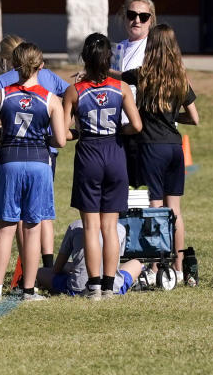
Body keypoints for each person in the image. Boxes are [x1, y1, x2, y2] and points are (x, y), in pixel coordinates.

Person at [0, 34, 68, 274]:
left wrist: (6, 131)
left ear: (10, 61)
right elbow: (72, 97)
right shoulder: (50, 87)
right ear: (40, 63)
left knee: (8, 225)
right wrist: (63, 125)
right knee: (38, 218)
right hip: (42, 156)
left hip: (10, 156)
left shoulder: (4, 86)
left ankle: (2, 283)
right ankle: (39, 274)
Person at [62, 33, 141, 300]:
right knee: (110, 226)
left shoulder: (74, 90)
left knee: (90, 227)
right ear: (109, 59)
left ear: (84, 58)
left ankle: (93, 286)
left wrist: (80, 133)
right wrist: (119, 131)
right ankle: (109, 285)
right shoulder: (121, 88)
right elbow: (137, 126)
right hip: (115, 153)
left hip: (89, 155)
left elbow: (62, 134)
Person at [121, 24, 199, 283]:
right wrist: (170, 116)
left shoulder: (143, 75)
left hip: (151, 148)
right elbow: (194, 118)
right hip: (175, 148)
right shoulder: (180, 78)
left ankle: (155, 268)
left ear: (151, 46)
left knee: (154, 208)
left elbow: (119, 76)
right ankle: (177, 267)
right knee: (174, 209)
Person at [115, 0, 156, 189]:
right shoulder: (118, 48)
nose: (137, 20)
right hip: (119, 127)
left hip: (144, 128)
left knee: (146, 191)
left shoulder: (154, 48)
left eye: (143, 16)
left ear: (151, 20)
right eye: (132, 15)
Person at [36, 219, 139, 297]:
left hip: (79, 288)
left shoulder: (76, 226)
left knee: (40, 272)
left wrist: (69, 267)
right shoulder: (120, 228)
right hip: (115, 287)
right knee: (136, 263)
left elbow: (57, 268)